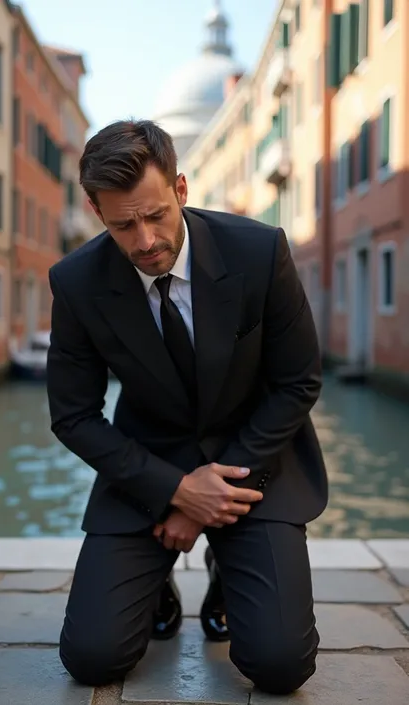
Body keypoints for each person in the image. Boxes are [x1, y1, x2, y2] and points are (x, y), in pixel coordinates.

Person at [46, 119, 328, 696]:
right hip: (146, 472)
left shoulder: (259, 250)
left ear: (180, 188)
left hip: (256, 465)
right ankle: (159, 583)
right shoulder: (75, 282)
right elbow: (73, 415)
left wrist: (205, 503)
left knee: (279, 666)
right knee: (92, 659)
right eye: (124, 225)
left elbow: (298, 381)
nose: (145, 240)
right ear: (98, 214)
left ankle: (229, 567)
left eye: (155, 215)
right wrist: (175, 490)